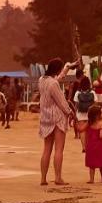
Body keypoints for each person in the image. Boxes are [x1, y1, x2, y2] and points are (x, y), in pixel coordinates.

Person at [38, 58, 74, 186]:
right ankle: (58, 177)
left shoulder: (42, 80)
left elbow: (56, 80)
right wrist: (70, 112)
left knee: (46, 149)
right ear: (57, 69)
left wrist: (67, 67)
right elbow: (62, 102)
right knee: (59, 149)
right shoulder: (53, 84)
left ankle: (43, 178)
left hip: (45, 118)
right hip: (57, 118)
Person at [84, 103, 102, 183]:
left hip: (90, 145)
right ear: (97, 115)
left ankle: (91, 179)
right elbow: (101, 135)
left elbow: (81, 129)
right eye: (101, 113)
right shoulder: (101, 124)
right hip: (100, 146)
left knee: (92, 164)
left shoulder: (89, 124)